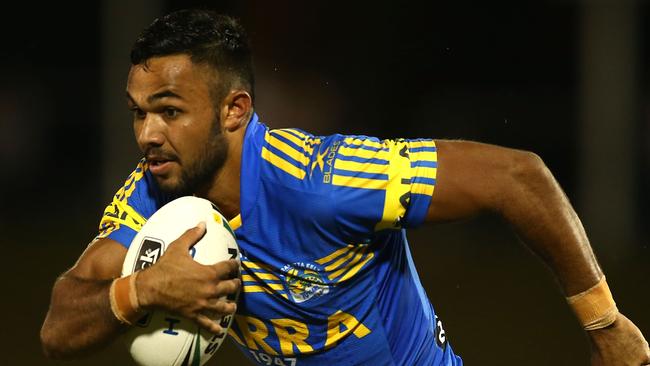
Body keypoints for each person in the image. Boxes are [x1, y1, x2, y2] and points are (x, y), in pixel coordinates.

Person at [40, 8, 649, 366]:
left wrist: (604, 323)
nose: (146, 134)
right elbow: (57, 328)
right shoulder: (153, 193)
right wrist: (141, 289)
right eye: (137, 112)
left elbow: (519, 176)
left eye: (168, 111)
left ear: (234, 111)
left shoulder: (320, 179)